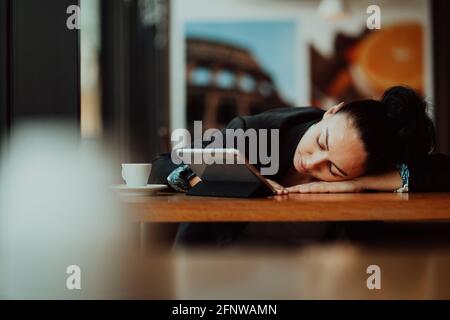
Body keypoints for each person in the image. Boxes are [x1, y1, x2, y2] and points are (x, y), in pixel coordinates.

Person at [149, 86, 450, 246]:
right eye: (321, 142)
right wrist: (214, 181)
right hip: (227, 269)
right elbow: (163, 165)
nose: (310, 163)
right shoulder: (258, 133)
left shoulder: (369, 160)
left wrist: (361, 184)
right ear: (332, 111)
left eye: (334, 170)